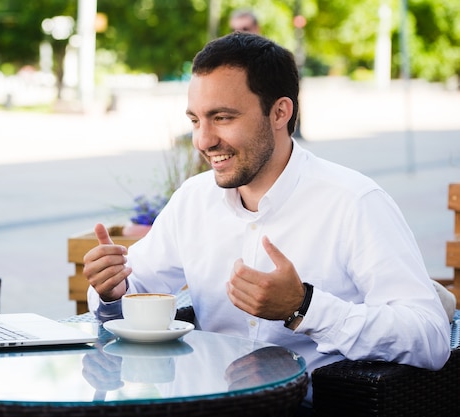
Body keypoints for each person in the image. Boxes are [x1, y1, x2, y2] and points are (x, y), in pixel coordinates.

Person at [83, 33, 451, 409]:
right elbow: (134, 289)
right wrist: (114, 287)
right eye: (196, 120)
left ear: (280, 112)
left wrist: (304, 307)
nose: (203, 140)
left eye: (222, 117)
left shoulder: (354, 203)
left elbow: (431, 337)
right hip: (205, 402)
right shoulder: (193, 200)